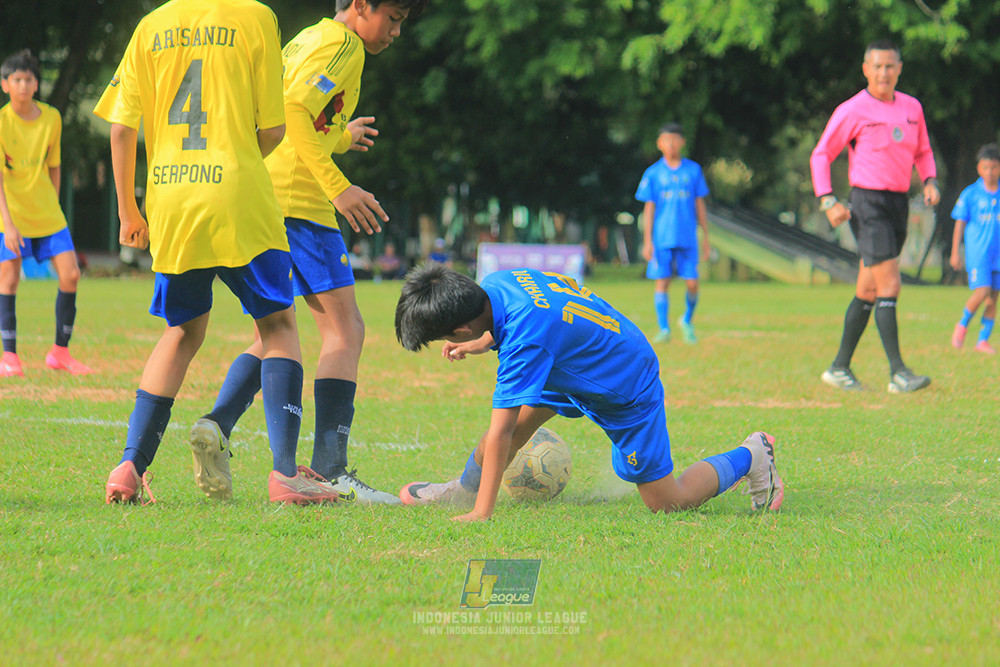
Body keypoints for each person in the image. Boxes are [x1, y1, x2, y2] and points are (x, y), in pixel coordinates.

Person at [95, 0, 337, 505]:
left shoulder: (150, 25)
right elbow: (273, 128)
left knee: (182, 331)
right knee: (278, 326)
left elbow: (121, 127)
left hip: (171, 200)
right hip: (239, 197)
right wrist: (234, 159)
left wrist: (128, 211)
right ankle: (284, 475)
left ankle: (128, 468)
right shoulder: (255, 17)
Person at [194, 0, 426, 505]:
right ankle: (330, 470)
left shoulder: (306, 38)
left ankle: (217, 422)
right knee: (346, 330)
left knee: (279, 334)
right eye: (394, 18)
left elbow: (293, 114)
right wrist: (340, 188)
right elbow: (298, 111)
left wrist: (340, 136)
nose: (396, 32)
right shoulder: (345, 47)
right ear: (361, 5)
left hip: (265, 194)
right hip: (301, 200)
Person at [393, 265, 783, 522]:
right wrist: (482, 343)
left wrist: (484, 514)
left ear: (460, 328)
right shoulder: (495, 284)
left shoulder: (527, 341)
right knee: (513, 434)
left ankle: (751, 455)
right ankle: (461, 491)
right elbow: (521, 317)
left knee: (666, 502)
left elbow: (501, 432)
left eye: (445, 336)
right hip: (574, 360)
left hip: (622, 381)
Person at [810, 39, 939, 394]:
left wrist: (929, 180)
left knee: (868, 288)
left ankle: (839, 368)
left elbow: (924, 150)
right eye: (877, 66)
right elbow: (821, 155)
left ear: (899, 69)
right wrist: (827, 200)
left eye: (890, 66)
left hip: (899, 204)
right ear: (866, 69)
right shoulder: (853, 109)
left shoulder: (912, 107)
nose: (884, 72)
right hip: (868, 205)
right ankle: (898, 373)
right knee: (890, 284)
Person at [0, 49, 92, 377]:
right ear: (5, 84)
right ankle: (9, 357)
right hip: (11, 215)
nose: (24, 85)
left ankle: (60, 353)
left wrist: (52, 204)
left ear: (37, 84)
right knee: (9, 280)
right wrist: (8, 225)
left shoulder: (52, 118)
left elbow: (54, 166)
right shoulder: (1, 122)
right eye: (17, 79)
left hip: (48, 215)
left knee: (70, 275)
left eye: (29, 79)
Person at [636, 122, 710, 344]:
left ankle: (686, 319)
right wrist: (647, 240)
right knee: (662, 281)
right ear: (659, 143)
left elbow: (700, 205)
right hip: (662, 238)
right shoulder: (653, 173)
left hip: (687, 237)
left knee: (692, 282)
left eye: (675, 139)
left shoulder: (693, 170)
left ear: (682, 142)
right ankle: (664, 329)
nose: (670, 144)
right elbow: (649, 208)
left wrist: (706, 236)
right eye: (666, 140)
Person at [949, 143, 1000, 354]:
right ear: (979, 168)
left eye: (994, 167)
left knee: (993, 296)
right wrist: (955, 252)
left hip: (997, 255)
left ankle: (982, 341)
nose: (990, 172)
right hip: (978, 253)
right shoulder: (970, 194)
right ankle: (962, 325)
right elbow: (959, 223)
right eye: (986, 167)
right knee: (983, 290)